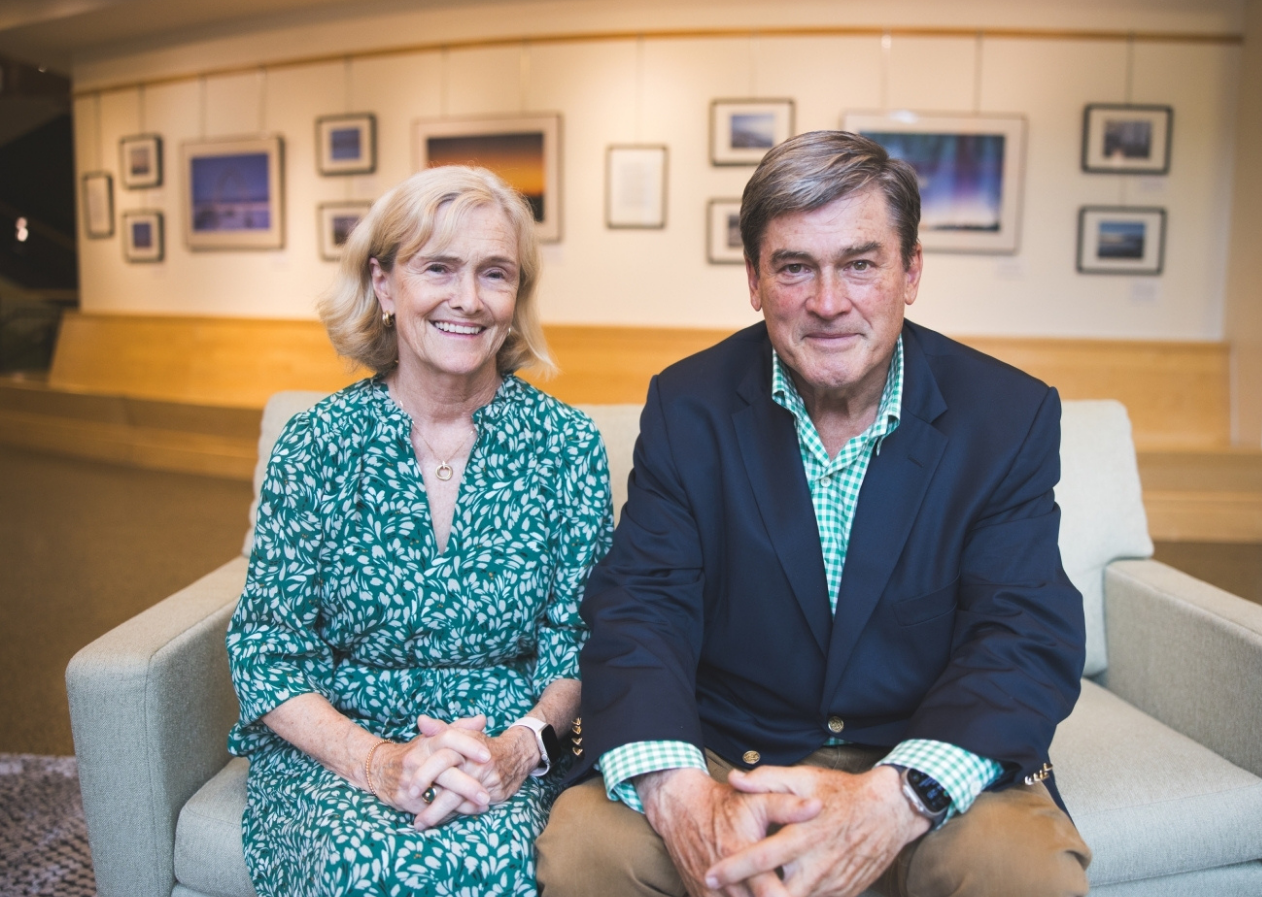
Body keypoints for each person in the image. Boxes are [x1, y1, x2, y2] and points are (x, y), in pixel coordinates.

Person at [536, 131, 1093, 897]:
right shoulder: (686, 404)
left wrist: (895, 800)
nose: (828, 304)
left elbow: (1024, 632)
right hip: (736, 756)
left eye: (860, 264)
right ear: (756, 280)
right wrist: (680, 793)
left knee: (1017, 871)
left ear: (911, 273)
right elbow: (642, 609)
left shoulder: (1006, 415)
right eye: (795, 267)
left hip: (920, 752)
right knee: (586, 850)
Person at [226, 164, 613, 897]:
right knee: (356, 865)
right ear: (383, 284)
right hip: (340, 743)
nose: (467, 300)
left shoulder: (567, 446)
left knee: (501, 863)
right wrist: (377, 763)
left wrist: (516, 748)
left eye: (494, 274)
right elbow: (267, 651)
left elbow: (581, 642)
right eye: (439, 267)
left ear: (516, 297)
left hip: (500, 742)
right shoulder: (317, 444)